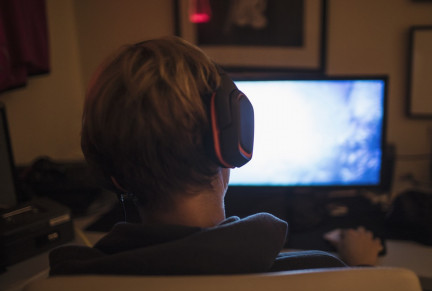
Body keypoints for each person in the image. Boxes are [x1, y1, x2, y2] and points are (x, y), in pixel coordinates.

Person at [49, 36, 382, 276]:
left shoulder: (65, 283)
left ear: (109, 171)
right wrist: (363, 269)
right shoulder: (320, 275)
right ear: (233, 140)